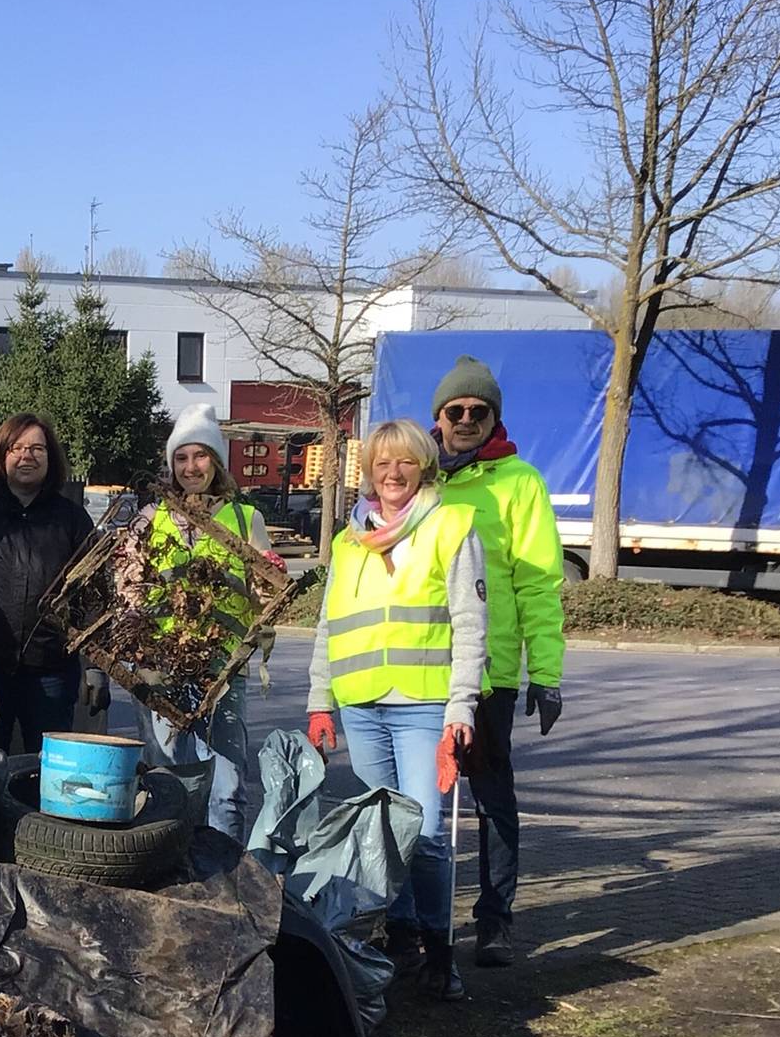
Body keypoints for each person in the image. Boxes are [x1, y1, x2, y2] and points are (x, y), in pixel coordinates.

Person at [305, 418, 489, 1001]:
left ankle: (440, 949)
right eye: (382, 463)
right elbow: (329, 626)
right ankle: (402, 936)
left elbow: (469, 624)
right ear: (368, 471)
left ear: (424, 467)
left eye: (405, 462)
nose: (393, 473)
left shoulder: (451, 526)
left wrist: (461, 709)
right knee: (383, 835)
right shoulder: (347, 541)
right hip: (361, 704)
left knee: (429, 834)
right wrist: (320, 703)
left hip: (422, 705)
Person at [428, 355, 565, 969]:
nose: (464, 420)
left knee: (488, 799)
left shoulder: (520, 484)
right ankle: (416, 923)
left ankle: (494, 920)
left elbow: (539, 584)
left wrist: (547, 673)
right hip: (424, 668)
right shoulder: (420, 476)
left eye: (477, 411)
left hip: (490, 674)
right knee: (420, 801)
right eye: (454, 411)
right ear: (438, 416)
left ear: (494, 418)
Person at [119, 402, 283, 844]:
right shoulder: (149, 522)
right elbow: (129, 592)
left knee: (227, 787)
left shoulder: (247, 519)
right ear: (172, 465)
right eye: (182, 457)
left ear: (217, 460)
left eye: (201, 455)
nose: (192, 467)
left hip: (224, 671)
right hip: (162, 668)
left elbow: (267, 593)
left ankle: (225, 873)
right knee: (166, 781)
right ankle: (175, 866)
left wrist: (271, 579)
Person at [0, 414, 103, 753]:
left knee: (46, 770)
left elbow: (95, 596)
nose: (27, 456)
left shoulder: (72, 519)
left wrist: (98, 666)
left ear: (50, 458)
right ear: (1, 456)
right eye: (17, 447)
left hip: (52, 670)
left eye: (37, 448)